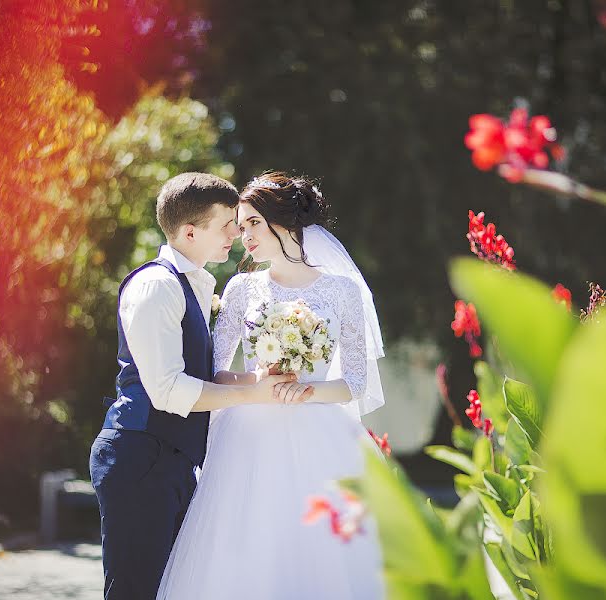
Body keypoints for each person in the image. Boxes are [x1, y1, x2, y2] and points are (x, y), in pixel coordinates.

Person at [157, 172, 387, 599]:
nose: (244, 236)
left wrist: (307, 390)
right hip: (246, 439)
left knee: (324, 557)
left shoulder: (342, 292)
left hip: (322, 435)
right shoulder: (242, 289)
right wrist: (258, 383)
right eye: (239, 227)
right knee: (247, 552)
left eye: (252, 224)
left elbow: (355, 381)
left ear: (284, 222)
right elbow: (215, 372)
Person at [89, 172, 301, 600]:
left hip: (172, 459)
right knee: (135, 590)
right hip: (140, 457)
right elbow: (169, 391)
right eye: (226, 225)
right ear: (189, 231)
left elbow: (201, 376)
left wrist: (262, 378)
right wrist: (251, 394)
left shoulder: (193, 285)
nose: (237, 234)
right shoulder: (156, 287)